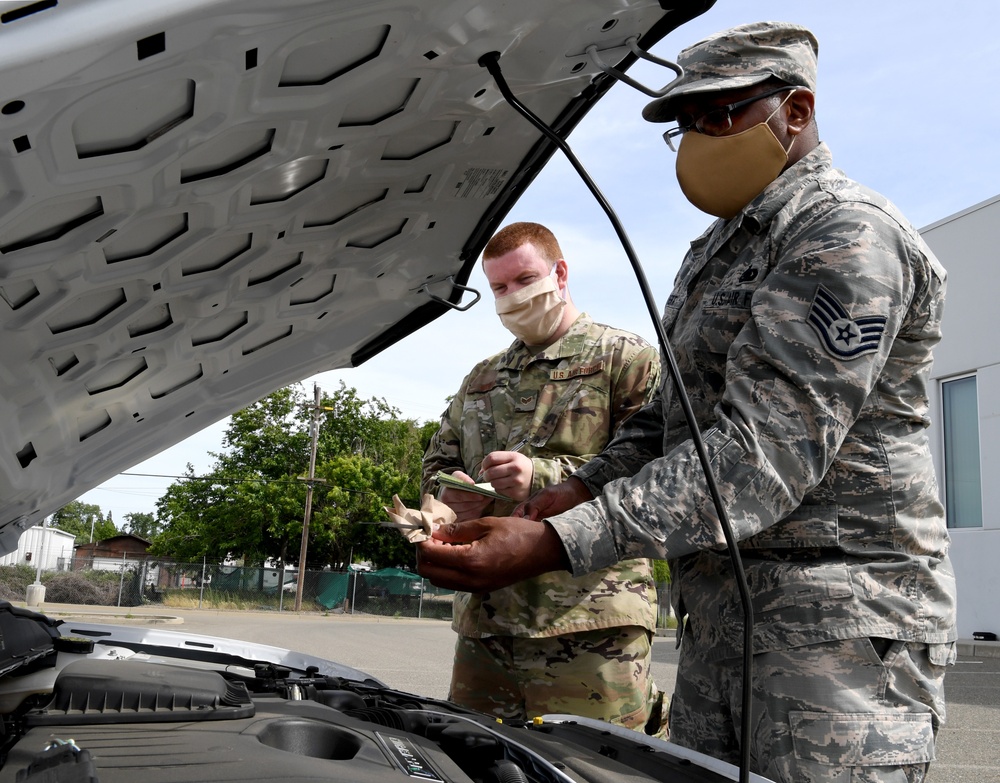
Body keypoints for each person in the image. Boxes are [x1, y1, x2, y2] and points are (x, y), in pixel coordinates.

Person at [417, 22, 957, 783]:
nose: (700, 136)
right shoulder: (715, 250)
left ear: (795, 111)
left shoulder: (844, 234)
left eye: (721, 114)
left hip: (836, 638)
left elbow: (758, 455)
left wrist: (555, 544)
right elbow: (664, 424)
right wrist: (556, 501)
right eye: (688, 123)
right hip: (722, 625)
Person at [422, 221, 665, 732]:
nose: (512, 297)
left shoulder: (626, 357)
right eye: (499, 288)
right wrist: (449, 498)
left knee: (591, 769)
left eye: (524, 279)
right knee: (476, 764)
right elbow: (436, 464)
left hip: (591, 625)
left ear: (559, 273)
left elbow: (658, 473)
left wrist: (543, 475)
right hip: (487, 628)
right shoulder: (480, 378)